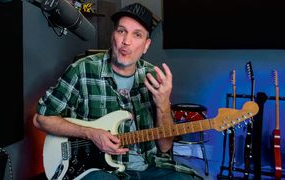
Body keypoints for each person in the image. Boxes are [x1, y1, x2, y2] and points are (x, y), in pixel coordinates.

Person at [33, 2, 202, 180]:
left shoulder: (154, 78)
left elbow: (165, 146)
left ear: (146, 45)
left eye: (137, 35)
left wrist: (163, 106)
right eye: (121, 31)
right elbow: (41, 119)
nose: (126, 41)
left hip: (149, 167)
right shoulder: (82, 70)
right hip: (99, 170)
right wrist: (90, 133)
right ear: (113, 35)